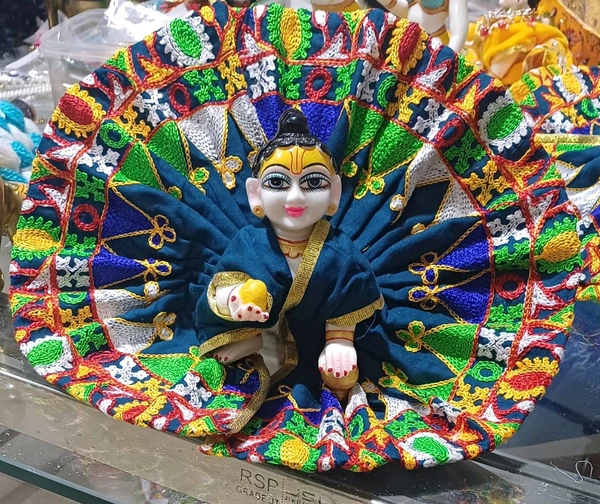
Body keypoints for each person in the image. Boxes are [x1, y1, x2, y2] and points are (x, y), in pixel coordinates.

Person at [195, 109, 383, 402]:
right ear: (255, 194)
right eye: (277, 183)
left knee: (341, 374)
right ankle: (250, 338)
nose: (295, 197)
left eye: (313, 183)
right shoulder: (249, 241)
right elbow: (222, 282)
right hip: (256, 327)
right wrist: (235, 298)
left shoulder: (340, 252)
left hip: (313, 338)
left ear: (334, 193)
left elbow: (347, 299)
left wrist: (340, 342)